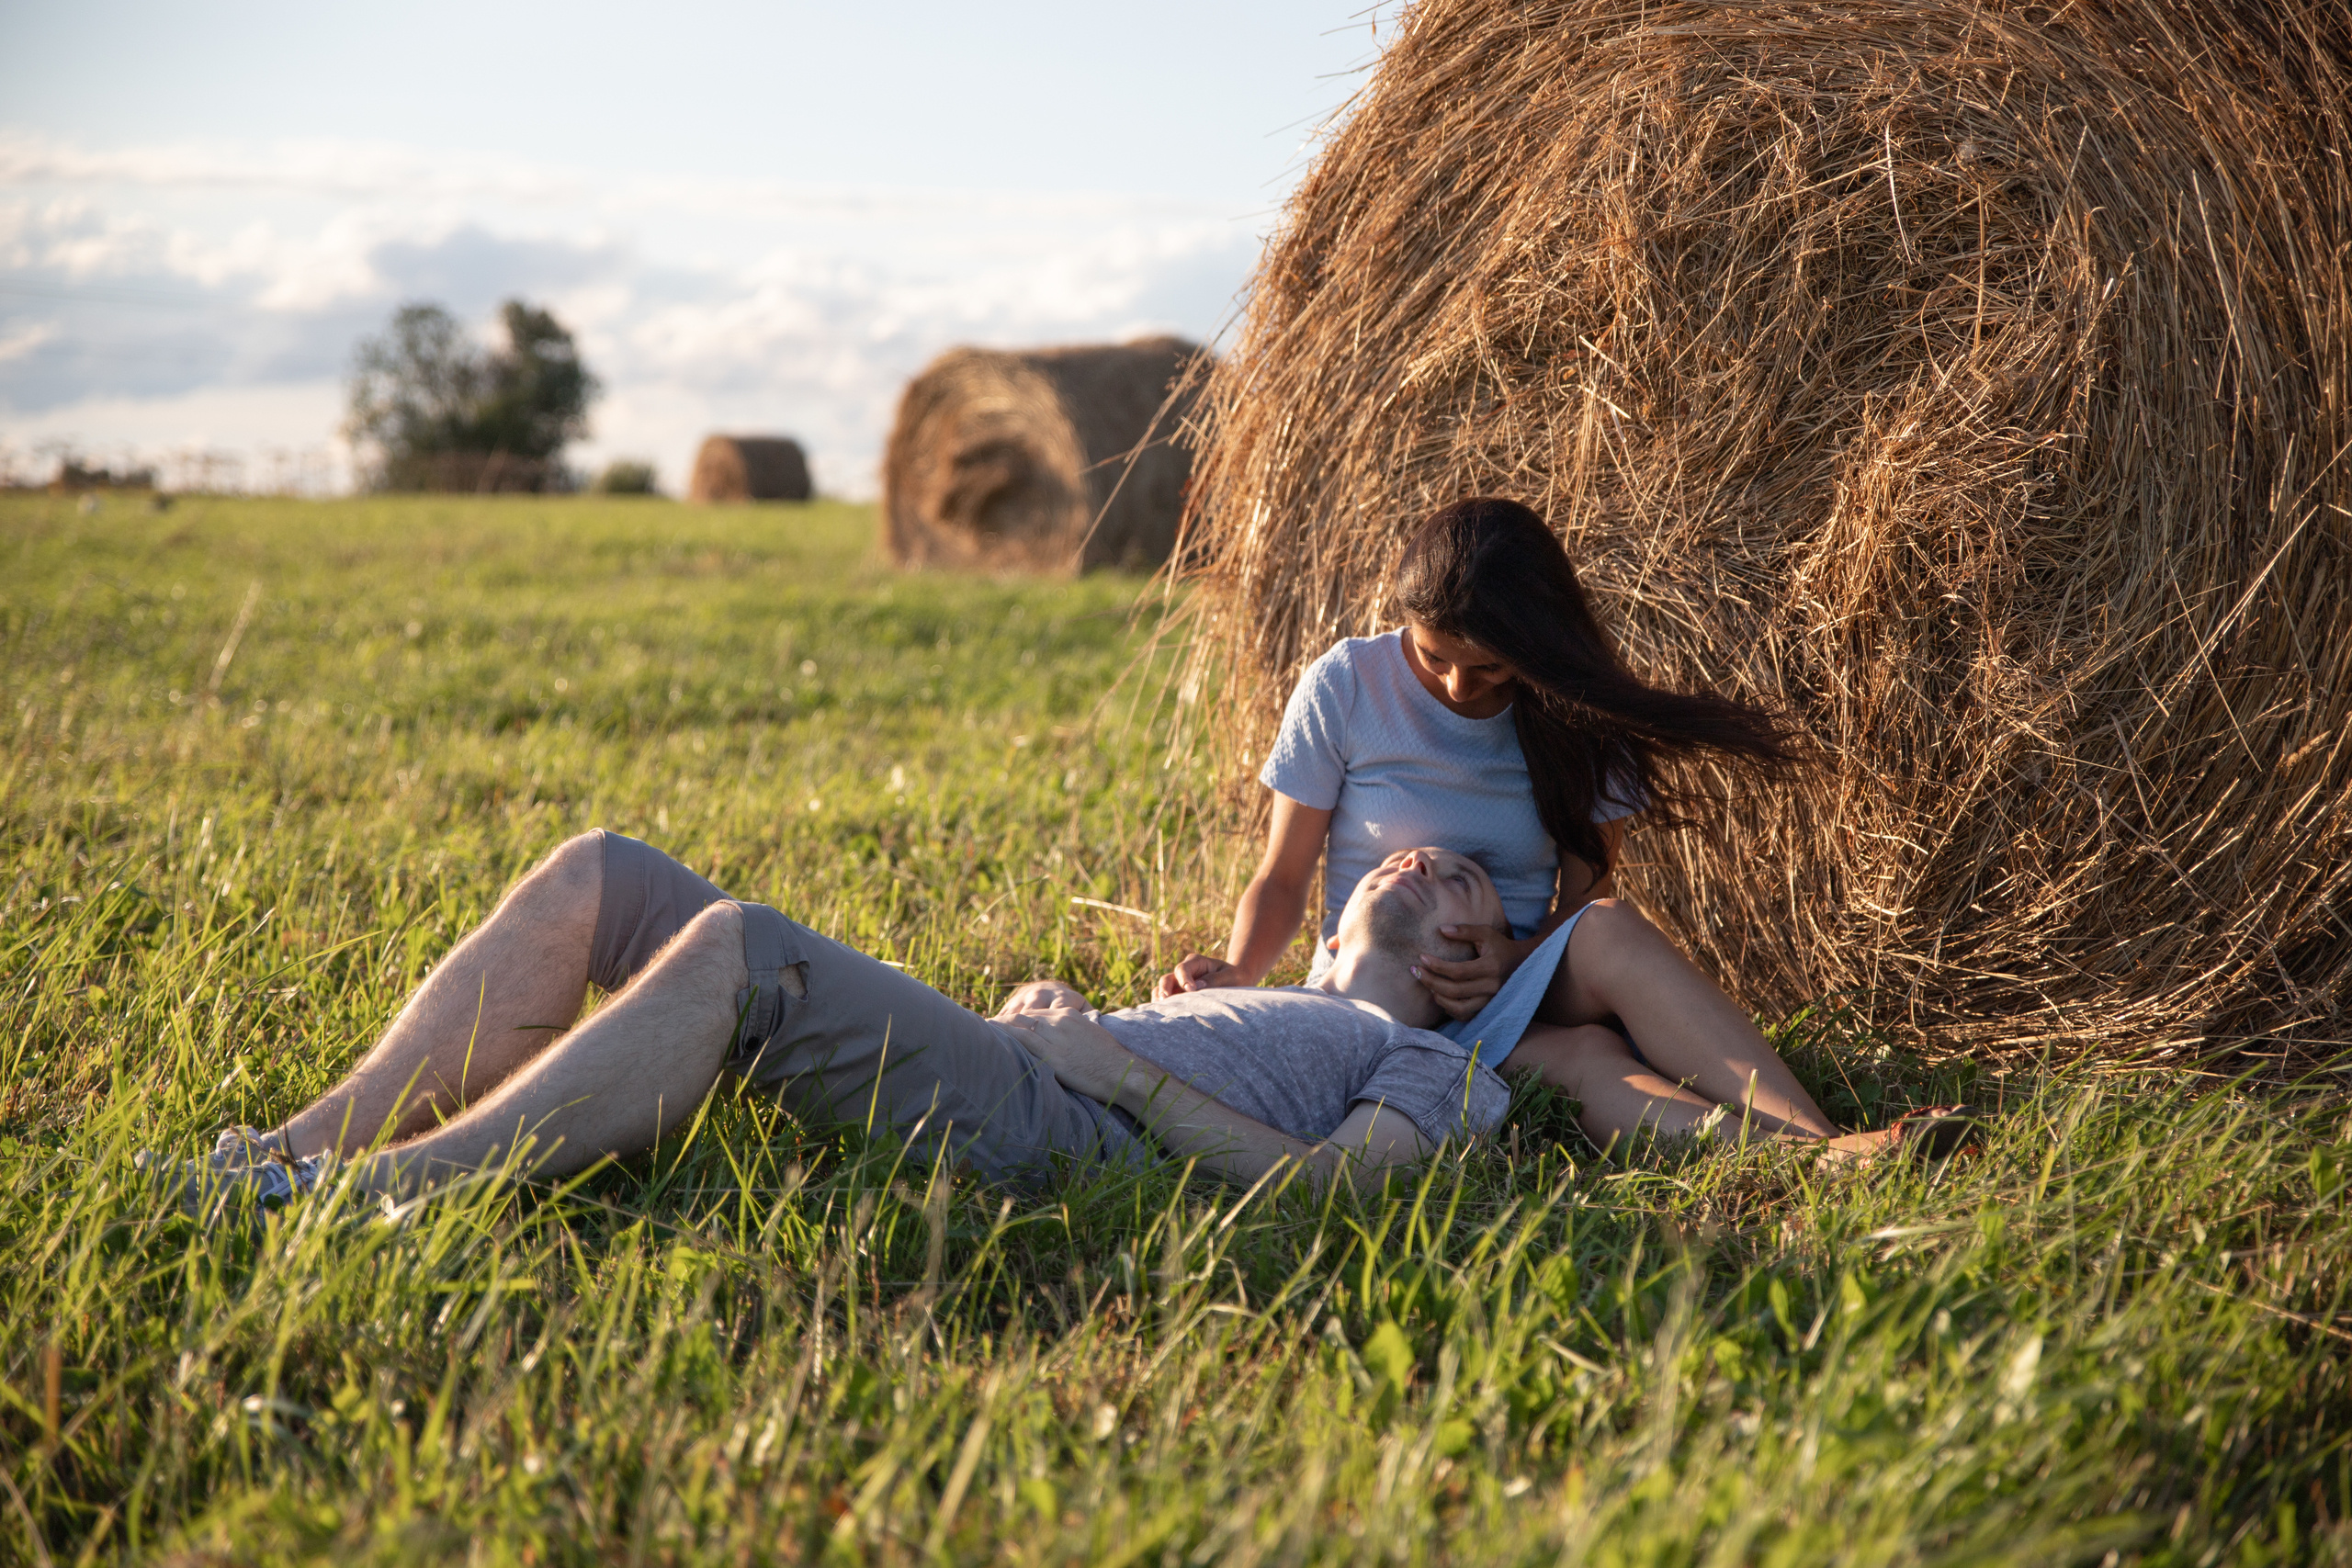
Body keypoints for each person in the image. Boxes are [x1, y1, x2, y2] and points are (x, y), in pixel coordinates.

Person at [158, 832, 1543, 1211]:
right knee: (607, 868)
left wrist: (1101, 1060)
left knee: (743, 946)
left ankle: (364, 1193)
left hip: (1072, 1126)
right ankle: (287, 1145)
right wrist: (1081, 1025)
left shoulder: (1434, 1057)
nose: (1410, 857)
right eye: (1394, 858)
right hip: (1030, 1065)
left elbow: (1345, 1195)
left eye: (1457, 869)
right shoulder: (1275, 989)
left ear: (1475, 958)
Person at [1156, 496, 1852, 1138]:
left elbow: (1583, 905)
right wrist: (1239, 970)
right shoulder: (1345, 685)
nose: (1459, 685)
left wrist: (1509, 961)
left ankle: (1822, 1140)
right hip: (1375, 996)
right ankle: (1798, 1156)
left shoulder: (1582, 719)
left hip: (1516, 988)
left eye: (1489, 667)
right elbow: (1282, 875)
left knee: (1606, 940)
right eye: (1435, 657)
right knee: (1586, 1054)